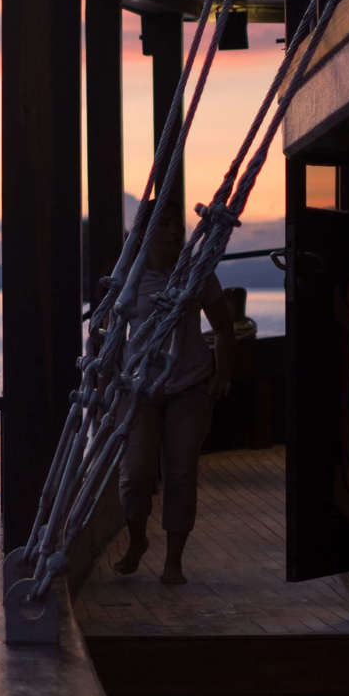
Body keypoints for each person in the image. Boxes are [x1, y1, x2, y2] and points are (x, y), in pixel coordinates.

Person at [111, 204, 237, 585]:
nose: (171, 231)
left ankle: (174, 561)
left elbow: (224, 327)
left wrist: (223, 373)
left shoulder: (196, 274)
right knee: (136, 473)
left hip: (189, 386)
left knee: (181, 472)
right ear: (145, 231)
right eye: (162, 224)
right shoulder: (129, 279)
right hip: (140, 389)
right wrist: (108, 383)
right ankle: (137, 541)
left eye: (175, 224)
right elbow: (109, 336)